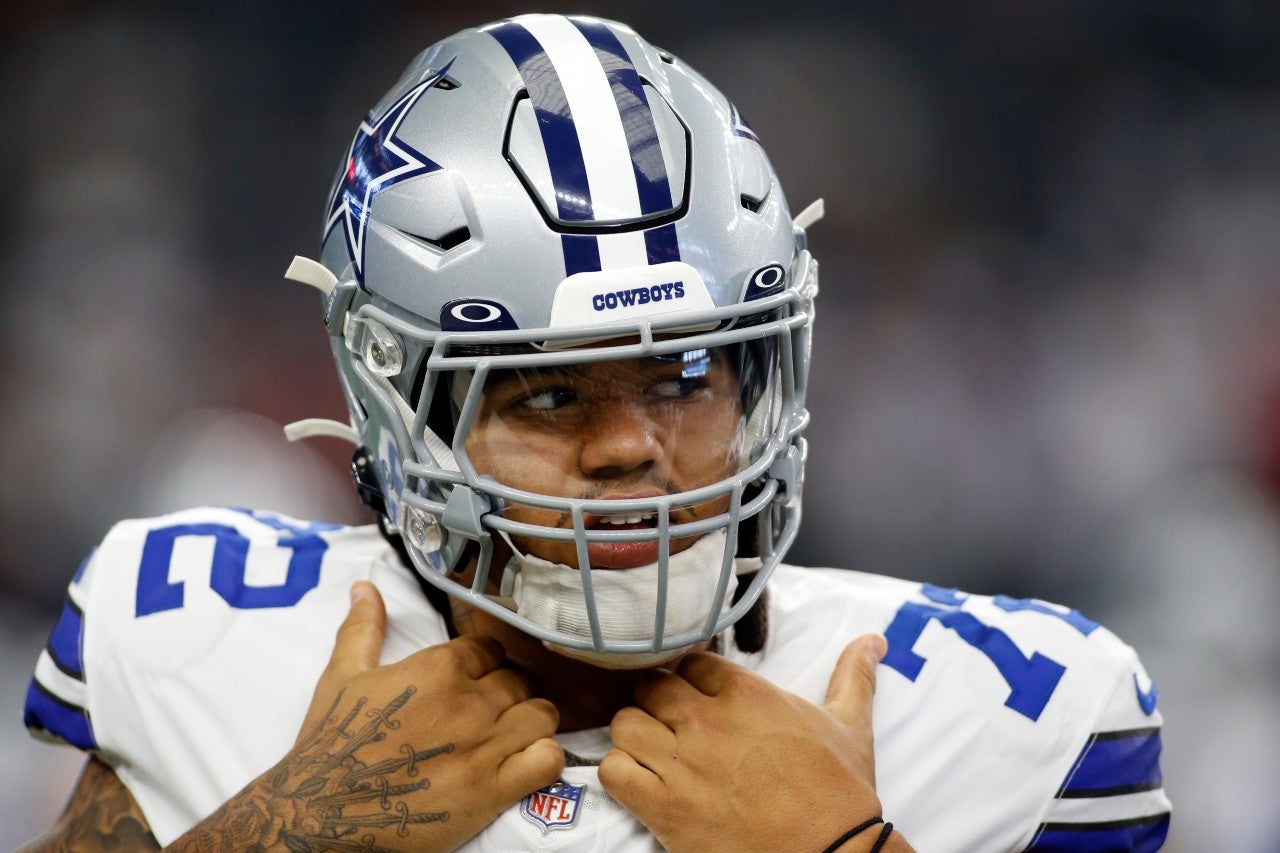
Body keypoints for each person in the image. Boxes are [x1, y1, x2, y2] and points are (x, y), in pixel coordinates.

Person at [21, 13, 1170, 852]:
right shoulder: (204, 630)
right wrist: (290, 828)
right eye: (548, 394)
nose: (629, 447)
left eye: (683, 376)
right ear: (400, 405)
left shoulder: (1014, 707)